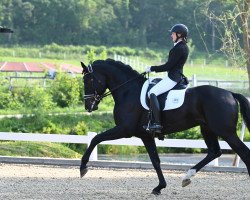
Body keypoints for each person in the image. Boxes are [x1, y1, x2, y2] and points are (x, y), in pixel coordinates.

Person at [144, 24, 189, 133]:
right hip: (174, 75)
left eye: (173, 34)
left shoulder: (179, 48)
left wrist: (152, 68)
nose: (171, 36)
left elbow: (168, 66)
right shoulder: (181, 46)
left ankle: (157, 123)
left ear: (179, 34)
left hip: (173, 77)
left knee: (152, 92)